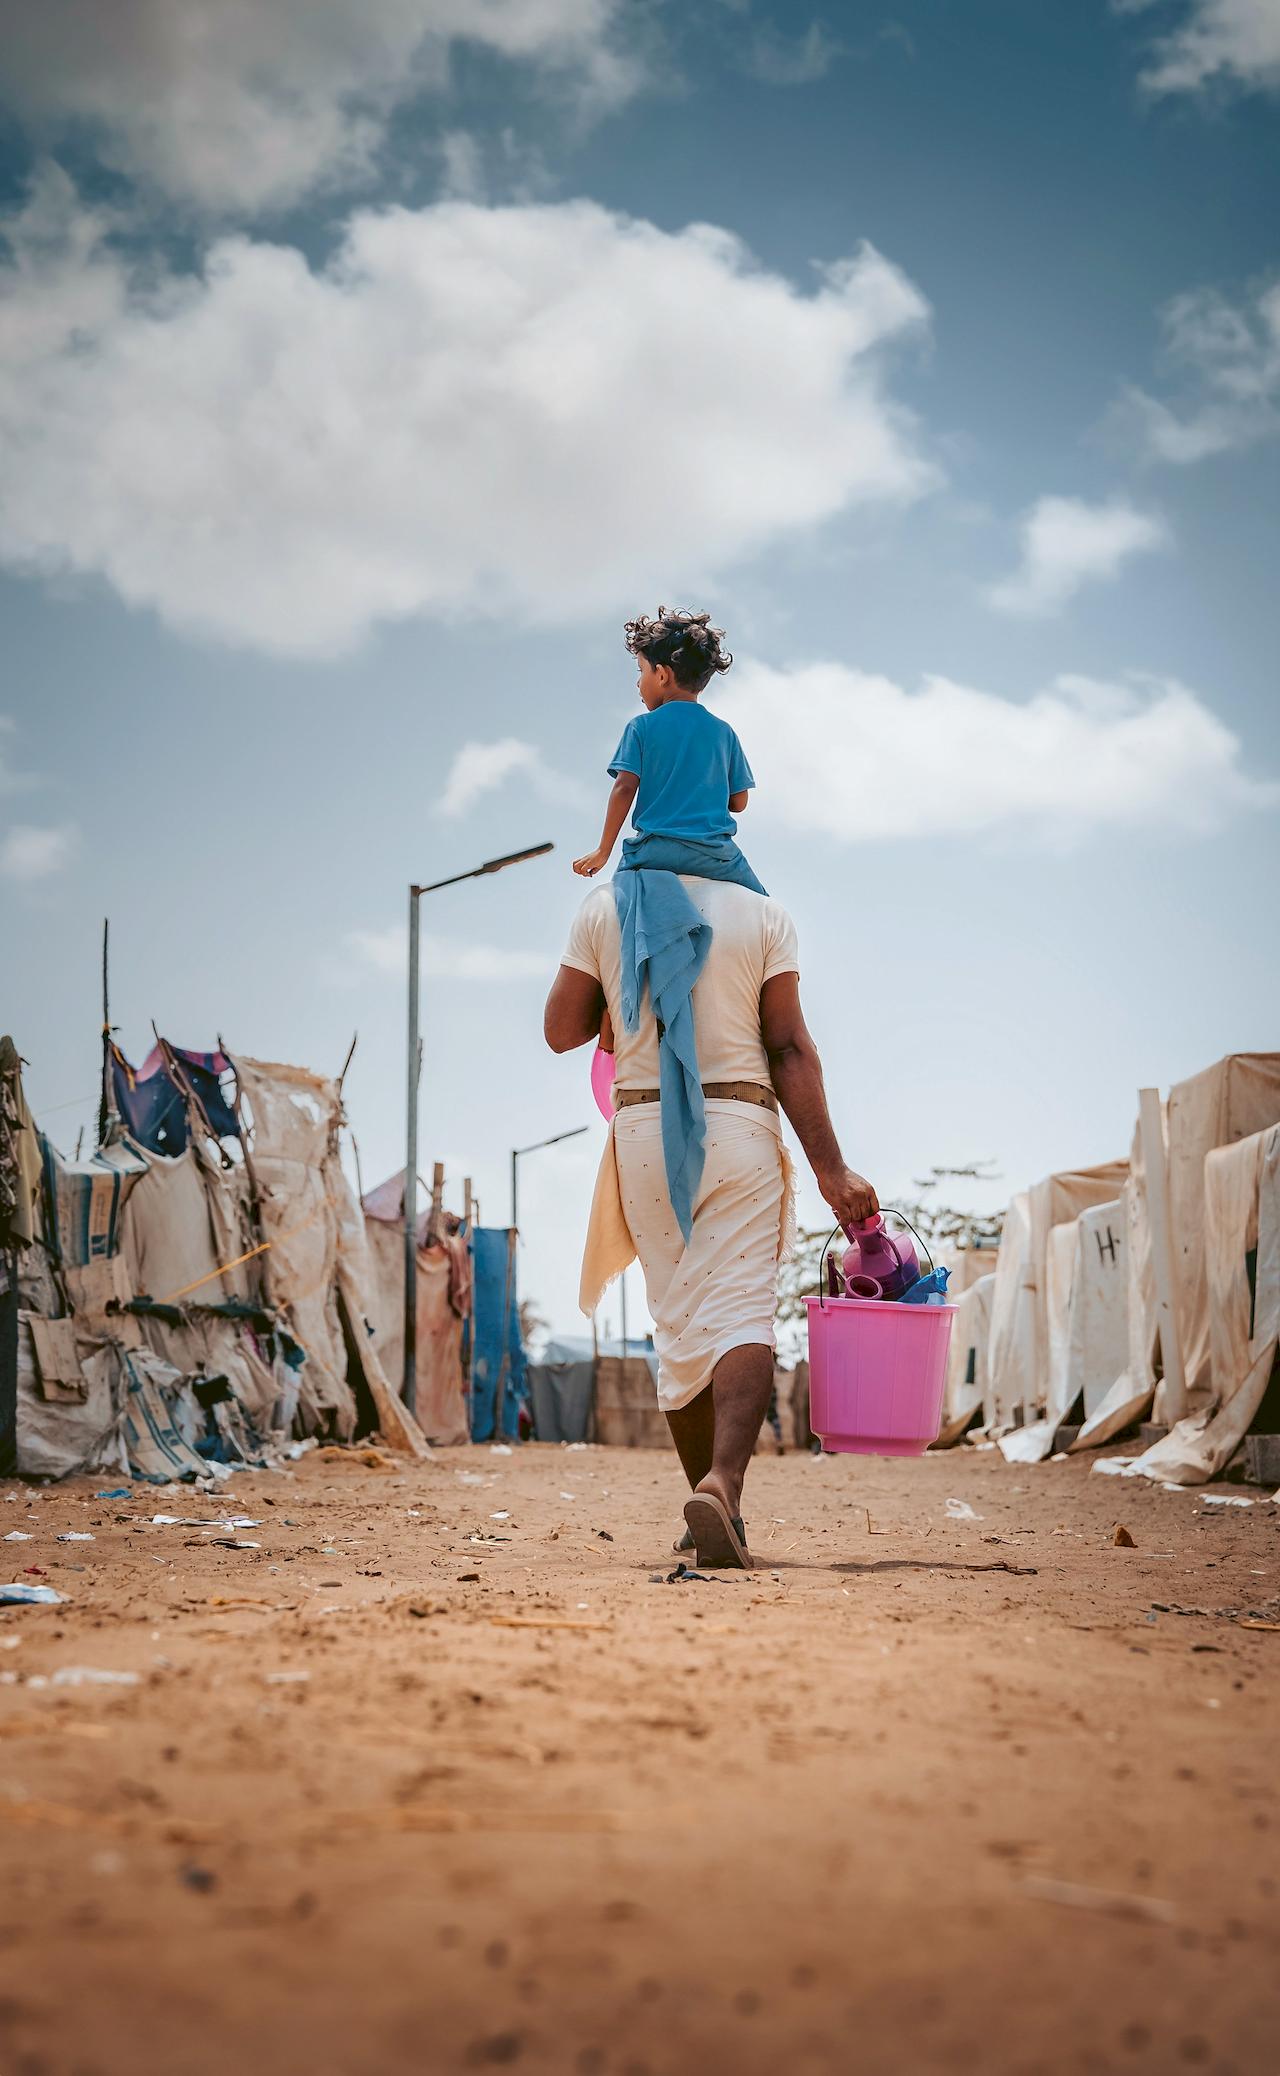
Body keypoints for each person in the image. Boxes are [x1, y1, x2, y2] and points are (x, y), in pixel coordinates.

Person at [544, 875, 877, 1570]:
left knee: (678, 1321)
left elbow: (560, 1030)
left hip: (642, 1128)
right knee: (742, 1310)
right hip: (738, 1121)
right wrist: (831, 1170)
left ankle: (713, 1508)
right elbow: (787, 1047)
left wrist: (619, 994)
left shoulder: (606, 907)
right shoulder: (763, 915)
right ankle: (722, 1485)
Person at [572, 608, 765, 896]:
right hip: (715, 856)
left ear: (661, 675)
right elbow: (739, 802)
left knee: (620, 899)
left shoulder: (641, 727)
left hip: (653, 853)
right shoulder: (724, 732)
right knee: (765, 907)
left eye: (641, 671)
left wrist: (603, 850)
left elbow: (624, 788)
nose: (638, 682)